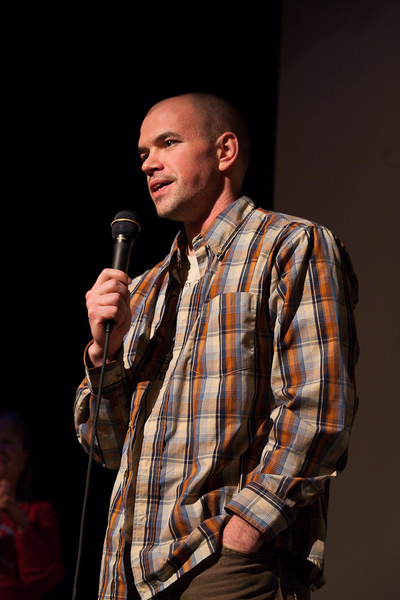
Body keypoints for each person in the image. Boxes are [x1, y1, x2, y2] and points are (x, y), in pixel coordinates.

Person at [74, 93, 359, 600]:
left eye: (168, 143)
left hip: (222, 567)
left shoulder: (291, 246)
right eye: (143, 153)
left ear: (224, 151)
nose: (150, 163)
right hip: (127, 573)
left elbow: (321, 407)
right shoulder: (143, 289)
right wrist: (105, 355)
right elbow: (106, 446)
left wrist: (244, 532)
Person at [0, 410, 64, 599]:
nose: (0, 448)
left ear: (24, 457)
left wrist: (21, 521)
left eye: (7, 441)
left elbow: (44, 580)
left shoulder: (40, 512)